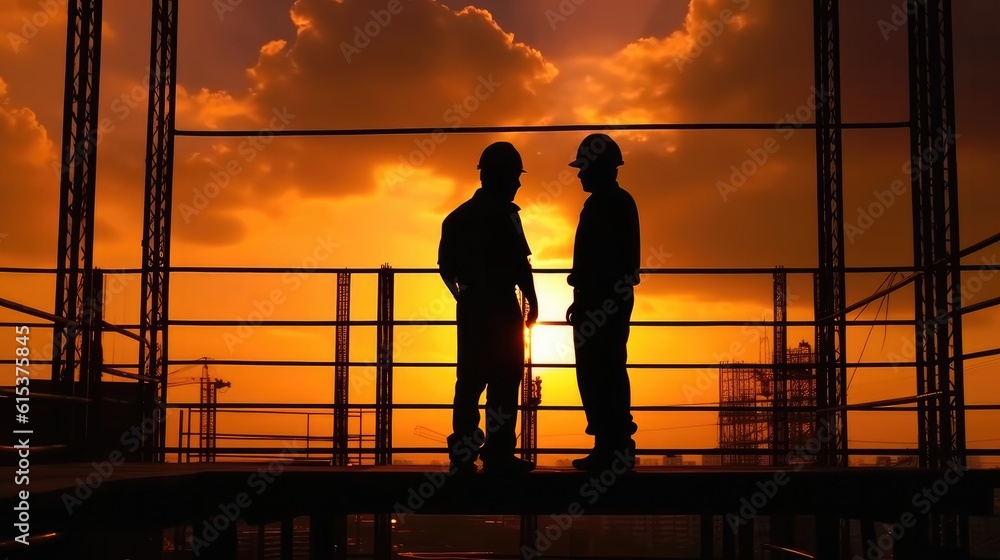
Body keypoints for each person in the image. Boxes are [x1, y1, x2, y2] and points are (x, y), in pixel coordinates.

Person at [438, 141, 539, 475]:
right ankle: (498, 454)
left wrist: (462, 296)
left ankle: (464, 453)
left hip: (472, 307)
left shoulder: (455, 219)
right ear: (501, 176)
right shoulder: (508, 216)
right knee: (505, 382)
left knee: (469, 381)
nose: (518, 184)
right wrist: (533, 301)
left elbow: (445, 269)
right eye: (514, 177)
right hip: (501, 306)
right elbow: (521, 265)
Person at [565, 133, 641, 471]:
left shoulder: (608, 205)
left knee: (601, 371)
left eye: (583, 167)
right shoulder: (616, 203)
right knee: (604, 370)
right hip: (601, 300)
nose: (579, 174)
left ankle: (612, 445)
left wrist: (589, 298)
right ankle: (611, 444)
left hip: (601, 301)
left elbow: (607, 262)